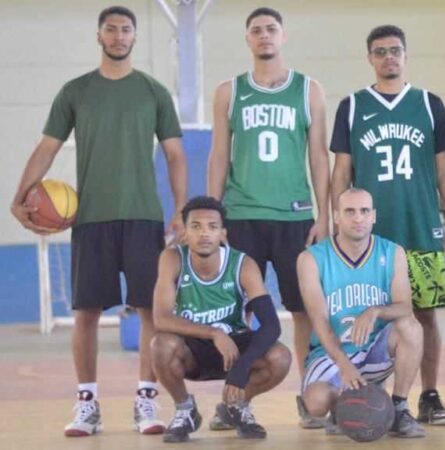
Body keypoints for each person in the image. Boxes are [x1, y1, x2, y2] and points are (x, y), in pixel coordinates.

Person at [9, 6, 187, 437]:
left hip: (144, 216)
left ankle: (146, 400)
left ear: (134, 37)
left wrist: (180, 208)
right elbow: (48, 147)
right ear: (99, 36)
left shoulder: (153, 91)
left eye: (126, 29)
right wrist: (19, 196)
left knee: (150, 312)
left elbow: (175, 153)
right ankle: (87, 403)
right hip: (89, 218)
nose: (119, 36)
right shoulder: (76, 91)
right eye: (111, 29)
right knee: (86, 312)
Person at [329, 25, 445, 426]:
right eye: (380, 51)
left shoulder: (428, 103)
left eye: (395, 50)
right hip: (367, 236)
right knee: (361, 316)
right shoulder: (351, 106)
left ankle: (430, 395)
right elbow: (341, 172)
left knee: (424, 316)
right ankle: (363, 396)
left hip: (421, 227)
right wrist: (335, 220)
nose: (389, 57)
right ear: (370, 57)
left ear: (406, 56)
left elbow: (444, 168)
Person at [206, 8, 329, 427]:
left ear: (283, 35)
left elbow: (318, 158)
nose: (264, 36)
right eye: (256, 30)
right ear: (247, 39)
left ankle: (306, 393)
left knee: (303, 310)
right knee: (243, 314)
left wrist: (324, 214)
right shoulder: (230, 91)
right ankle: (237, 398)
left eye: (271, 29)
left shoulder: (308, 90)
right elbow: (219, 155)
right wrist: (214, 216)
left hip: (296, 217)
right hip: (241, 215)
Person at [151, 196, 291, 443]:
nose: (204, 233)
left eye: (212, 227)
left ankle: (235, 406)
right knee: (160, 345)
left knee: (280, 357)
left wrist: (241, 368)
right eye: (196, 226)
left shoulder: (243, 264)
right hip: (192, 351)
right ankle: (185, 410)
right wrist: (214, 333)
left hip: (234, 350)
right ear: (184, 231)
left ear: (223, 233)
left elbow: (271, 325)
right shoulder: (172, 259)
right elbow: (161, 319)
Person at [297, 188, 426, 438]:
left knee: (410, 327)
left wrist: (375, 310)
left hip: (374, 350)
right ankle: (344, 407)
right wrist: (344, 365)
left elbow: (405, 306)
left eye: (364, 211)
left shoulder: (392, 253)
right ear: (337, 216)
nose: (358, 218)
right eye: (350, 211)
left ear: (374, 216)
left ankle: (398, 408)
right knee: (315, 403)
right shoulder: (311, 259)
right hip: (332, 355)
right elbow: (319, 321)